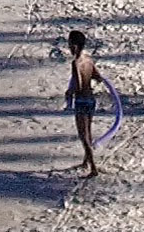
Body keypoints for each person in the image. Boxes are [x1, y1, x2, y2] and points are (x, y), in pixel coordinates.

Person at [64, 29, 102, 178]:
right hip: (91, 99)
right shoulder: (89, 59)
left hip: (81, 101)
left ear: (74, 46)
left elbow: (78, 85)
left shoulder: (76, 63)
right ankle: (86, 161)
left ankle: (93, 168)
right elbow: (97, 77)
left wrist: (70, 93)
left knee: (83, 135)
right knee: (88, 132)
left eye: (69, 44)